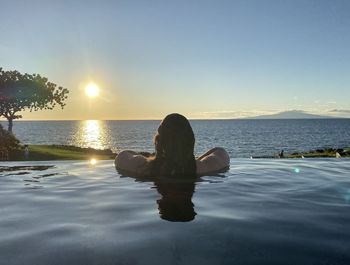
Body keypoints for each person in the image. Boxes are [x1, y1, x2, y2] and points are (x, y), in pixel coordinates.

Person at [115, 113, 230, 178]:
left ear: (158, 142)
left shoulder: (141, 167)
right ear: (191, 141)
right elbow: (220, 151)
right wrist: (192, 159)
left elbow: (123, 154)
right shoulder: (205, 167)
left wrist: (151, 157)